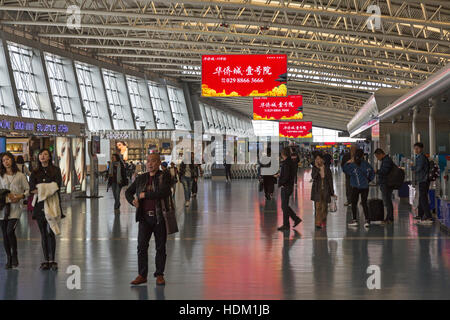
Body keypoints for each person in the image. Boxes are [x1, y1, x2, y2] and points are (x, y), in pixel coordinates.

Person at [125, 153, 171, 286]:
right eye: (148, 161)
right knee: (141, 247)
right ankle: (142, 275)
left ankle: (159, 274)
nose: (150, 164)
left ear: (158, 163)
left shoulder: (164, 176)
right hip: (144, 218)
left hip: (159, 217)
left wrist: (145, 194)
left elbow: (164, 192)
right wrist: (133, 202)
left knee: (160, 247)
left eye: (153, 161)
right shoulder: (141, 178)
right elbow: (128, 192)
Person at [29, 149, 64, 271]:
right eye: (40, 155)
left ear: (49, 157)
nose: (42, 156)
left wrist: (42, 189)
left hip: (53, 204)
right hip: (39, 205)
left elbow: (57, 185)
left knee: (51, 232)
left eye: (45, 154)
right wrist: (47, 188)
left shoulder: (55, 170)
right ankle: (45, 260)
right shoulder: (35, 172)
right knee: (43, 233)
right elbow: (32, 188)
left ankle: (52, 259)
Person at [0, 152, 29, 269]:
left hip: (16, 209)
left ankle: (15, 254)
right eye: (3, 160)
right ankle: (9, 258)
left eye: (7, 159)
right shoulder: (1, 176)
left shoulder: (20, 175)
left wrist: (20, 196)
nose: (6, 162)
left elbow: (28, 190)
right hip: (2, 209)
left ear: (12, 160)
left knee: (9, 231)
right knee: (5, 235)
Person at [344, 149, 375, 228]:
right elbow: (372, 172)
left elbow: (345, 169)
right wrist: (368, 180)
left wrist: (348, 162)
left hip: (355, 186)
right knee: (364, 203)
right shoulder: (366, 164)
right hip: (365, 186)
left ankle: (355, 220)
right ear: (362, 156)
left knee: (354, 204)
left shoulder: (352, 165)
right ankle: (367, 220)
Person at [277, 147, 302, 231]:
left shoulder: (286, 163)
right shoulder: (289, 162)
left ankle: (291, 221)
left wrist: (281, 182)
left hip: (286, 186)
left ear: (283, 154)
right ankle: (289, 222)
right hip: (289, 186)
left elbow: (286, 176)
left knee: (284, 206)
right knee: (285, 206)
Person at [311, 153, 335, 229]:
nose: (318, 160)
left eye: (319, 158)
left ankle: (323, 221)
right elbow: (313, 177)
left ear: (323, 160)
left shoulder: (327, 169)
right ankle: (318, 223)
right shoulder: (314, 169)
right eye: (316, 159)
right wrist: (317, 168)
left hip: (326, 190)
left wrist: (332, 192)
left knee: (324, 207)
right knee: (317, 207)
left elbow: (330, 180)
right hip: (317, 190)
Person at [412, 142, 433, 225]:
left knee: (423, 198)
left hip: (423, 180)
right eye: (415, 148)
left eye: (417, 148)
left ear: (421, 149)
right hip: (422, 180)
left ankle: (428, 216)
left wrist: (412, 167)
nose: (416, 150)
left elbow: (418, 168)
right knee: (421, 197)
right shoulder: (419, 157)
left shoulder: (421, 157)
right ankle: (420, 215)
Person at [374, 148, 395, 224]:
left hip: (386, 184)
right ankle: (389, 217)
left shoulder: (386, 160)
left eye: (377, 156)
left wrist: (377, 171)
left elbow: (385, 171)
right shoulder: (385, 160)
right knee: (387, 201)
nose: (377, 158)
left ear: (381, 154)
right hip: (385, 183)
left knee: (387, 201)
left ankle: (390, 218)